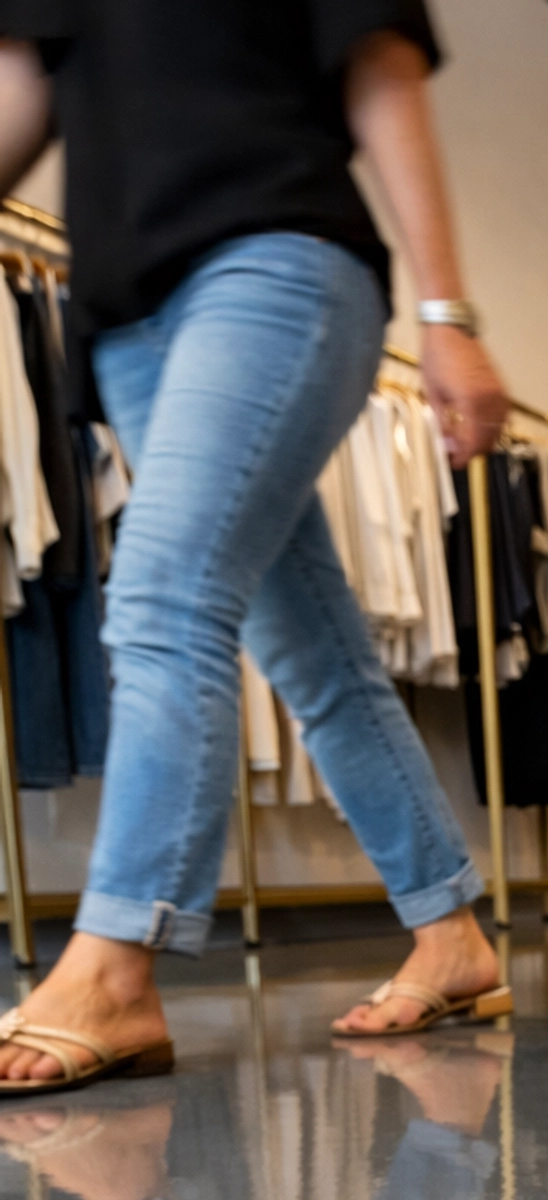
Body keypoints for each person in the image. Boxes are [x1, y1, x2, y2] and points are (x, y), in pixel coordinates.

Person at [0, 5, 512, 1094]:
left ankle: (116, 967)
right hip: (127, 317)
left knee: (164, 599)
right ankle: (451, 937)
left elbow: (380, 65)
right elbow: (26, 93)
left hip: (278, 257)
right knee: (316, 653)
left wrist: (445, 311)